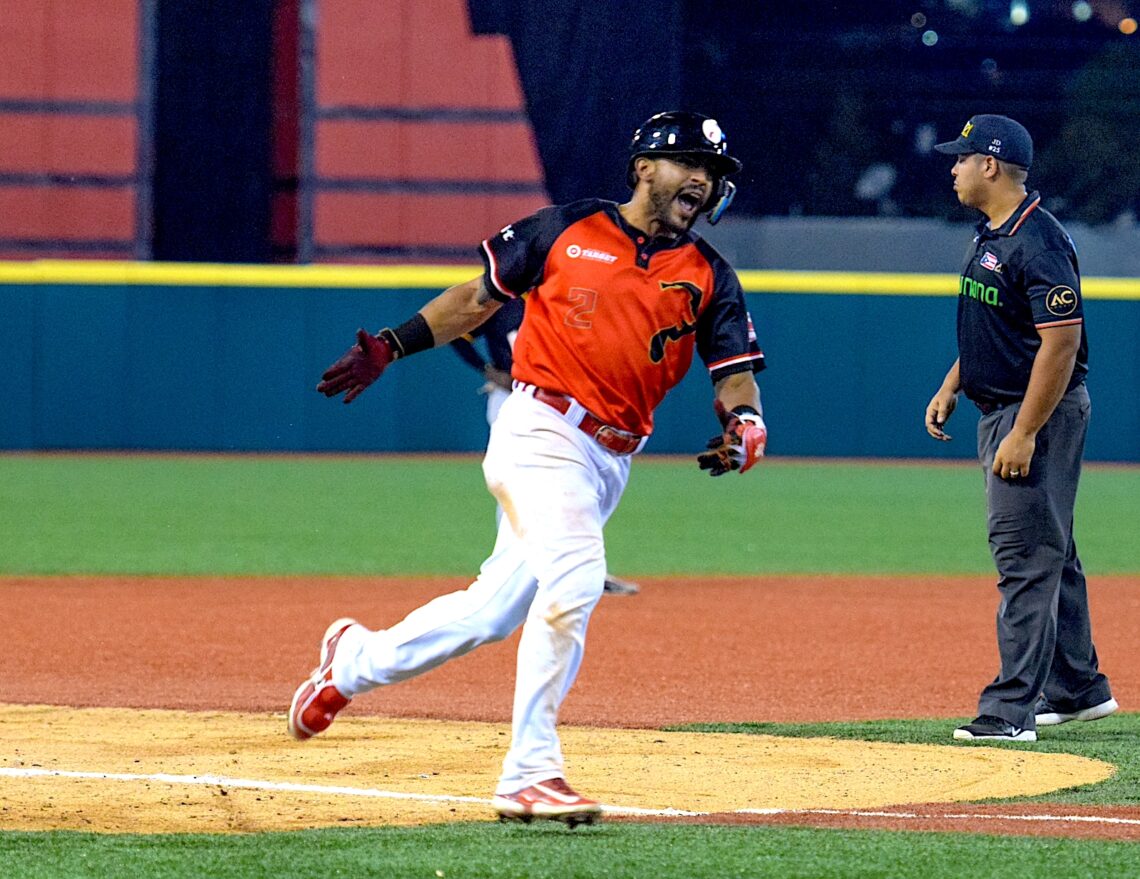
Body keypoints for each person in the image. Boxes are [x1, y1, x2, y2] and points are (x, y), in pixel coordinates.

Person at [288, 111, 768, 824]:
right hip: (539, 425)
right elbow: (473, 301)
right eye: (688, 162)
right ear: (643, 168)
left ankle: (350, 660)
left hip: (608, 460)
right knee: (576, 577)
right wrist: (393, 343)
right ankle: (530, 773)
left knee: (489, 613)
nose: (702, 178)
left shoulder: (709, 277)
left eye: (713, 171)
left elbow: (735, 373)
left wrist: (746, 420)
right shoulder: (564, 229)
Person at [924, 114, 1116, 743]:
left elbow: (1060, 345)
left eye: (961, 157)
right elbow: (1001, 328)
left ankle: (1009, 711)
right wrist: (954, 383)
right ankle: (1081, 689)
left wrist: (1026, 430)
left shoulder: (1038, 241)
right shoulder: (995, 235)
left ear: (990, 165)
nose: (951, 167)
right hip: (1003, 404)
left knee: (1025, 558)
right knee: (1051, 550)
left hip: (1036, 412)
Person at [450, 299, 641, 596]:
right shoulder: (503, 303)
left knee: (578, 483)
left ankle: (585, 569)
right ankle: (509, 570)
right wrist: (486, 369)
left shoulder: (568, 298)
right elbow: (457, 335)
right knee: (513, 483)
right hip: (510, 397)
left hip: (567, 403)